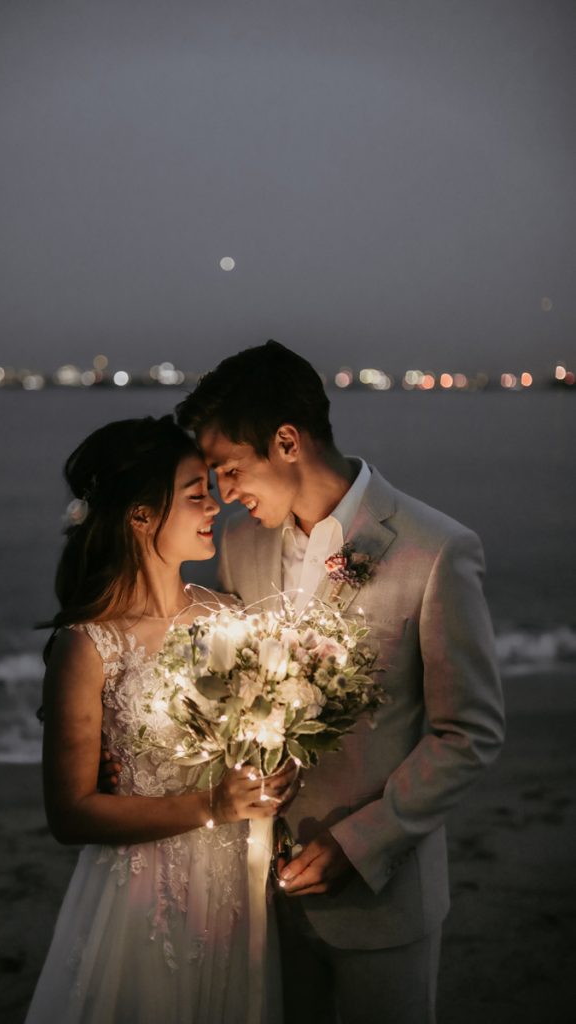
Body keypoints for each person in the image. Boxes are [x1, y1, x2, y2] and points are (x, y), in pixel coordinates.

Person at [170, 340, 505, 1024]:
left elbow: (467, 733)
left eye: (229, 469)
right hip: (259, 892)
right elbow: (227, 687)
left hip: (380, 902)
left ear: (286, 441)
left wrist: (359, 843)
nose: (222, 493)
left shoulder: (433, 549)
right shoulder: (240, 544)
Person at [25, 416, 292, 1024]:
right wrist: (212, 806)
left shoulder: (228, 615)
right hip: (143, 901)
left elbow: (257, 737)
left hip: (236, 887)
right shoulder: (89, 645)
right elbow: (70, 814)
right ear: (141, 516)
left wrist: (276, 772)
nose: (216, 507)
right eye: (196, 495)